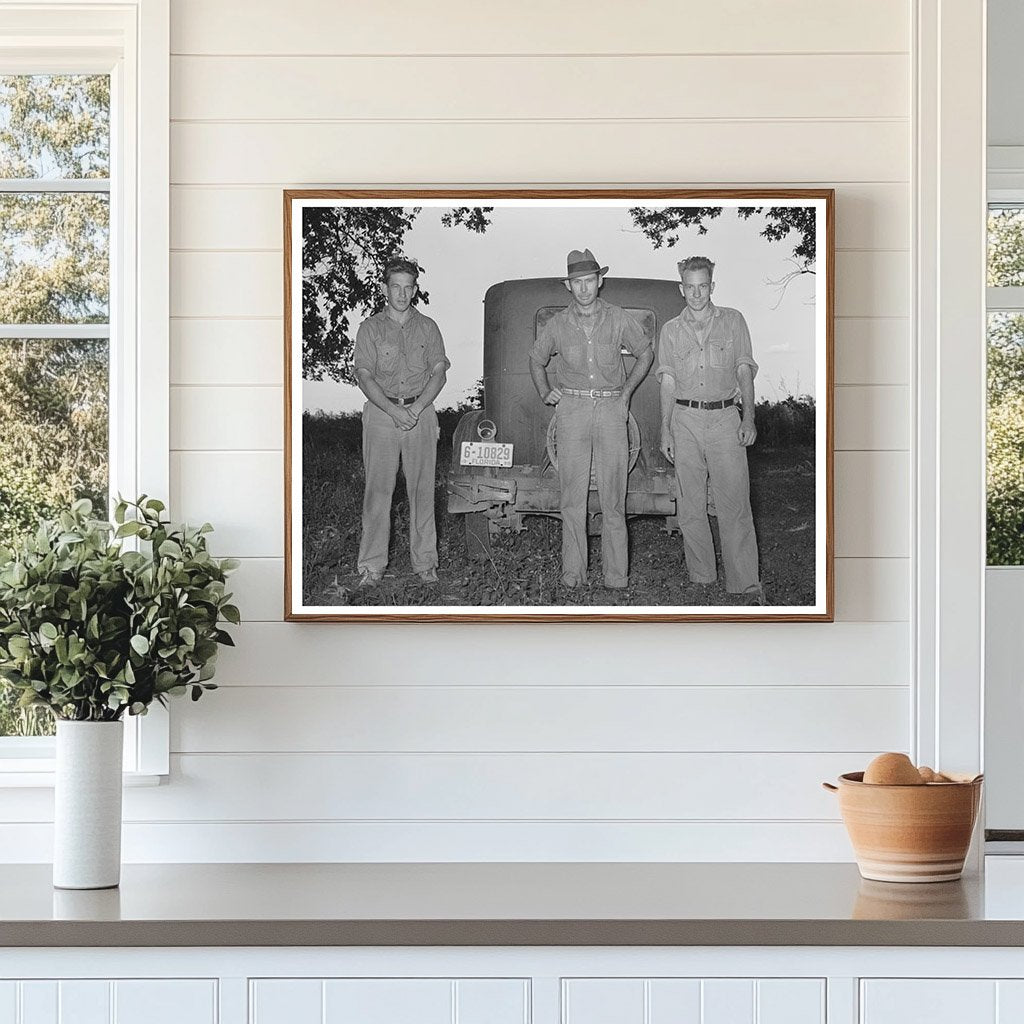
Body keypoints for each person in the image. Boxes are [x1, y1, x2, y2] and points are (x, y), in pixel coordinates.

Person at [529, 248, 653, 589]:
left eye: (589, 281)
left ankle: (616, 578)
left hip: (613, 409)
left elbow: (645, 353)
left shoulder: (618, 317)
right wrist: (545, 392)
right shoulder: (557, 324)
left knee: (614, 498)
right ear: (568, 286)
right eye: (576, 282)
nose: (583, 288)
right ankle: (573, 575)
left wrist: (626, 394)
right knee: (572, 498)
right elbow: (536, 359)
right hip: (572, 411)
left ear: (600, 281)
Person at [657, 255, 762, 600]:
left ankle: (744, 584)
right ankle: (702, 579)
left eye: (703, 287)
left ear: (712, 286)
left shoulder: (733, 321)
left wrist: (748, 417)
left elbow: (744, 370)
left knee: (735, 504)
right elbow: (668, 382)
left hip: (724, 420)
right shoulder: (671, 330)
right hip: (684, 420)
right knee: (690, 506)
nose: (697, 294)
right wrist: (665, 428)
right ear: (681, 288)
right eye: (690, 287)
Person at [352, 256, 449, 586]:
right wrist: (394, 411)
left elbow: (438, 372)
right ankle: (371, 567)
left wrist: (418, 407)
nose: (402, 294)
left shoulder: (429, 327)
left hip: (421, 414)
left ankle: (426, 564)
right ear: (385, 289)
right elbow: (364, 375)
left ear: (415, 290)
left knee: (423, 491)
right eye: (396, 287)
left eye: (408, 288)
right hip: (381, 416)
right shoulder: (370, 328)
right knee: (378, 492)